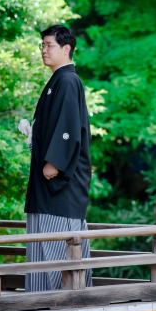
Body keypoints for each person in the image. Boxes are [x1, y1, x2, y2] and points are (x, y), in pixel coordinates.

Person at [21, 25, 93, 292]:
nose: (43, 50)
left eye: (49, 45)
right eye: (42, 45)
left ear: (66, 49)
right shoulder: (57, 80)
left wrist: (55, 162)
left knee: (58, 241)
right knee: (42, 240)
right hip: (45, 181)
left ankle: (63, 299)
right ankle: (40, 300)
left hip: (58, 181)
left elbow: (69, 127)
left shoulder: (68, 80)